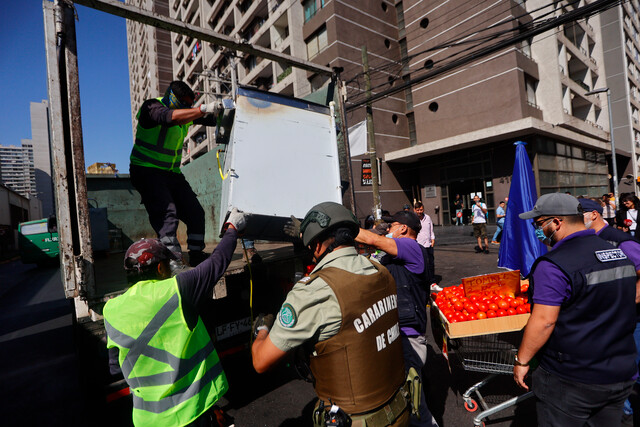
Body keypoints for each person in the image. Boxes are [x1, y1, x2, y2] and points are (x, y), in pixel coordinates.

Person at [251, 202, 410, 426]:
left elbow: (260, 361)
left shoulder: (314, 292)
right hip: (399, 410)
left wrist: (262, 329)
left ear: (317, 246)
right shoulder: (380, 271)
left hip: (355, 420)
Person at [103, 208, 246, 426]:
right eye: (168, 266)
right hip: (191, 414)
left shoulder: (111, 310)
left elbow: (115, 368)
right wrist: (233, 228)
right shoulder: (178, 289)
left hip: (148, 420)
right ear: (160, 268)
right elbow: (218, 262)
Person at [514, 193, 637, 426]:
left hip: (573, 378)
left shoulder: (554, 264)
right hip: (619, 371)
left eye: (539, 224)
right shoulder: (617, 252)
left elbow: (544, 321)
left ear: (556, 222)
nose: (537, 230)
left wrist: (522, 361)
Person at [129, 80, 222, 272]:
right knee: (167, 214)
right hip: (146, 170)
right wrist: (203, 108)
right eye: (185, 104)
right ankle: (173, 262)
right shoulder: (152, 107)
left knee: (196, 213)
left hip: (171, 174)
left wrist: (223, 113)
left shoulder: (184, 112)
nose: (189, 108)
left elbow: (207, 119)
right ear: (173, 98)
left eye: (191, 104)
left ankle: (196, 255)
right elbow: (168, 117)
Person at [356, 210, 438, 427]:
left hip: (407, 337)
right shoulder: (394, 254)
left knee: (415, 406)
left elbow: (372, 240)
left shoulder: (412, 247)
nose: (388, 229)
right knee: (403, 402)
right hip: (395, 334)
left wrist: (338, 229)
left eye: (392, 226)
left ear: (403, 229)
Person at [581, 197, 640, 418]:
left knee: (629, 370)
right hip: (606, 319)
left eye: (580, 215)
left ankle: (626, 413)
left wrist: (627, 301)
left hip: (631, 320)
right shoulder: (586, 240)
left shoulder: (618, 240)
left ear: (594, 215)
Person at [414, 201, 436, 284]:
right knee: (420, 264)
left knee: (430, 264)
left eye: (421, 210)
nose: (420, 211)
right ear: (415, 210)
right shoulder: (413, 219)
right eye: (418, 210)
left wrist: (432, 239)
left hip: (428, 244)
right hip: (418, 245)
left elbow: (431, 230)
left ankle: (432, 282)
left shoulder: (428, 217)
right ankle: (422, 282)